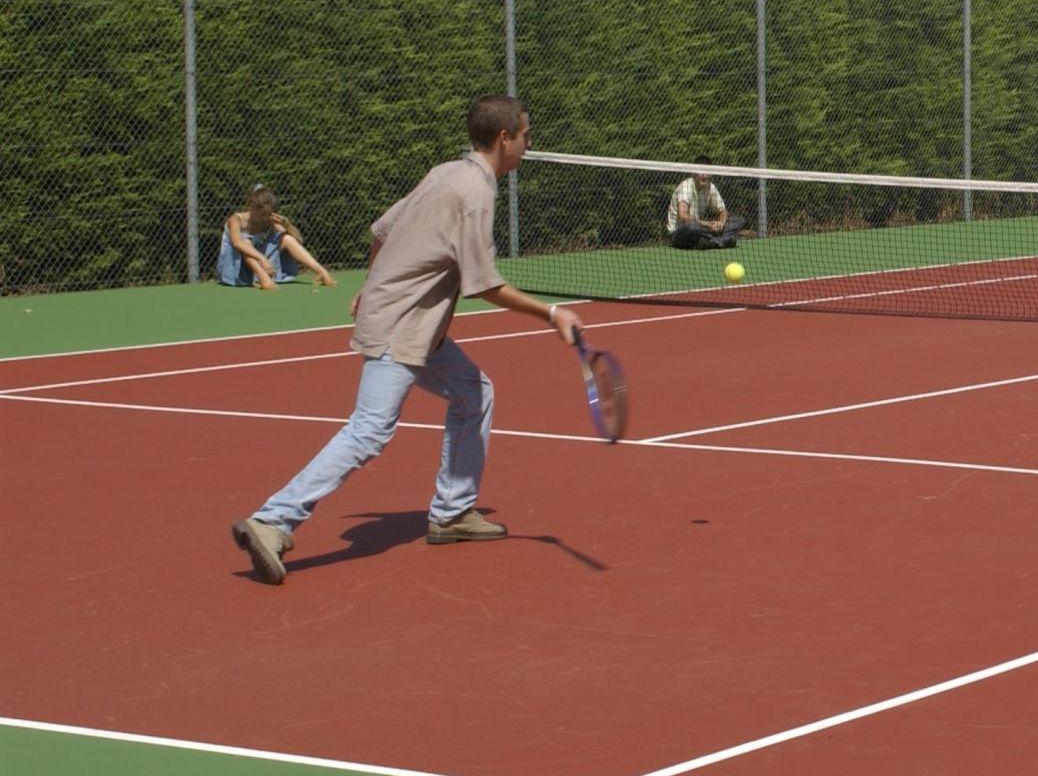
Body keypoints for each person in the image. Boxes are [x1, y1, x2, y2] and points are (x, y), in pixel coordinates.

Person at [229, 95, 583, 585]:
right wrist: (551, 313)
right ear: (505, 138)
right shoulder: (475, 191)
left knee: (473, 392)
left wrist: (373, 284)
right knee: (370, 431)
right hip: (403, 323)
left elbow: (383, 229)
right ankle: (273, 520)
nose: (528, 146)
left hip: (418, 323)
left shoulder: (445, 171)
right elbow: (483, 284)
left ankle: (453, 512)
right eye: (526, 137)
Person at [216, 184, 335, 289]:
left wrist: (287, 225)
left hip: (257, 265)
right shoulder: (236, 220)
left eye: (268, 214)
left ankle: (322, 273)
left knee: (286, 238)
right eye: (262, 214)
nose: (265, 217)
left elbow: (298, 240)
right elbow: (237, 243)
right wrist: (262, 258)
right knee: (246, 242)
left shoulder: (267, 219)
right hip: (233, 271)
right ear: (251, 205)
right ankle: (264, 280)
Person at [667, 165, 744, 250]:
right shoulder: (686, 187)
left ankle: (713, 242)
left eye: (707, 172)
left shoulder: (711, 188)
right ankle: (719, 241)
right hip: (679, 233)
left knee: (738, 220)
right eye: (701, 172)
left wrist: (720, 223)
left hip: (700, 230)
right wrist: (706, 224)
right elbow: (683, 216)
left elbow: (723, 211)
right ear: (694, 173)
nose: (704, 176)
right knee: (693, 227)